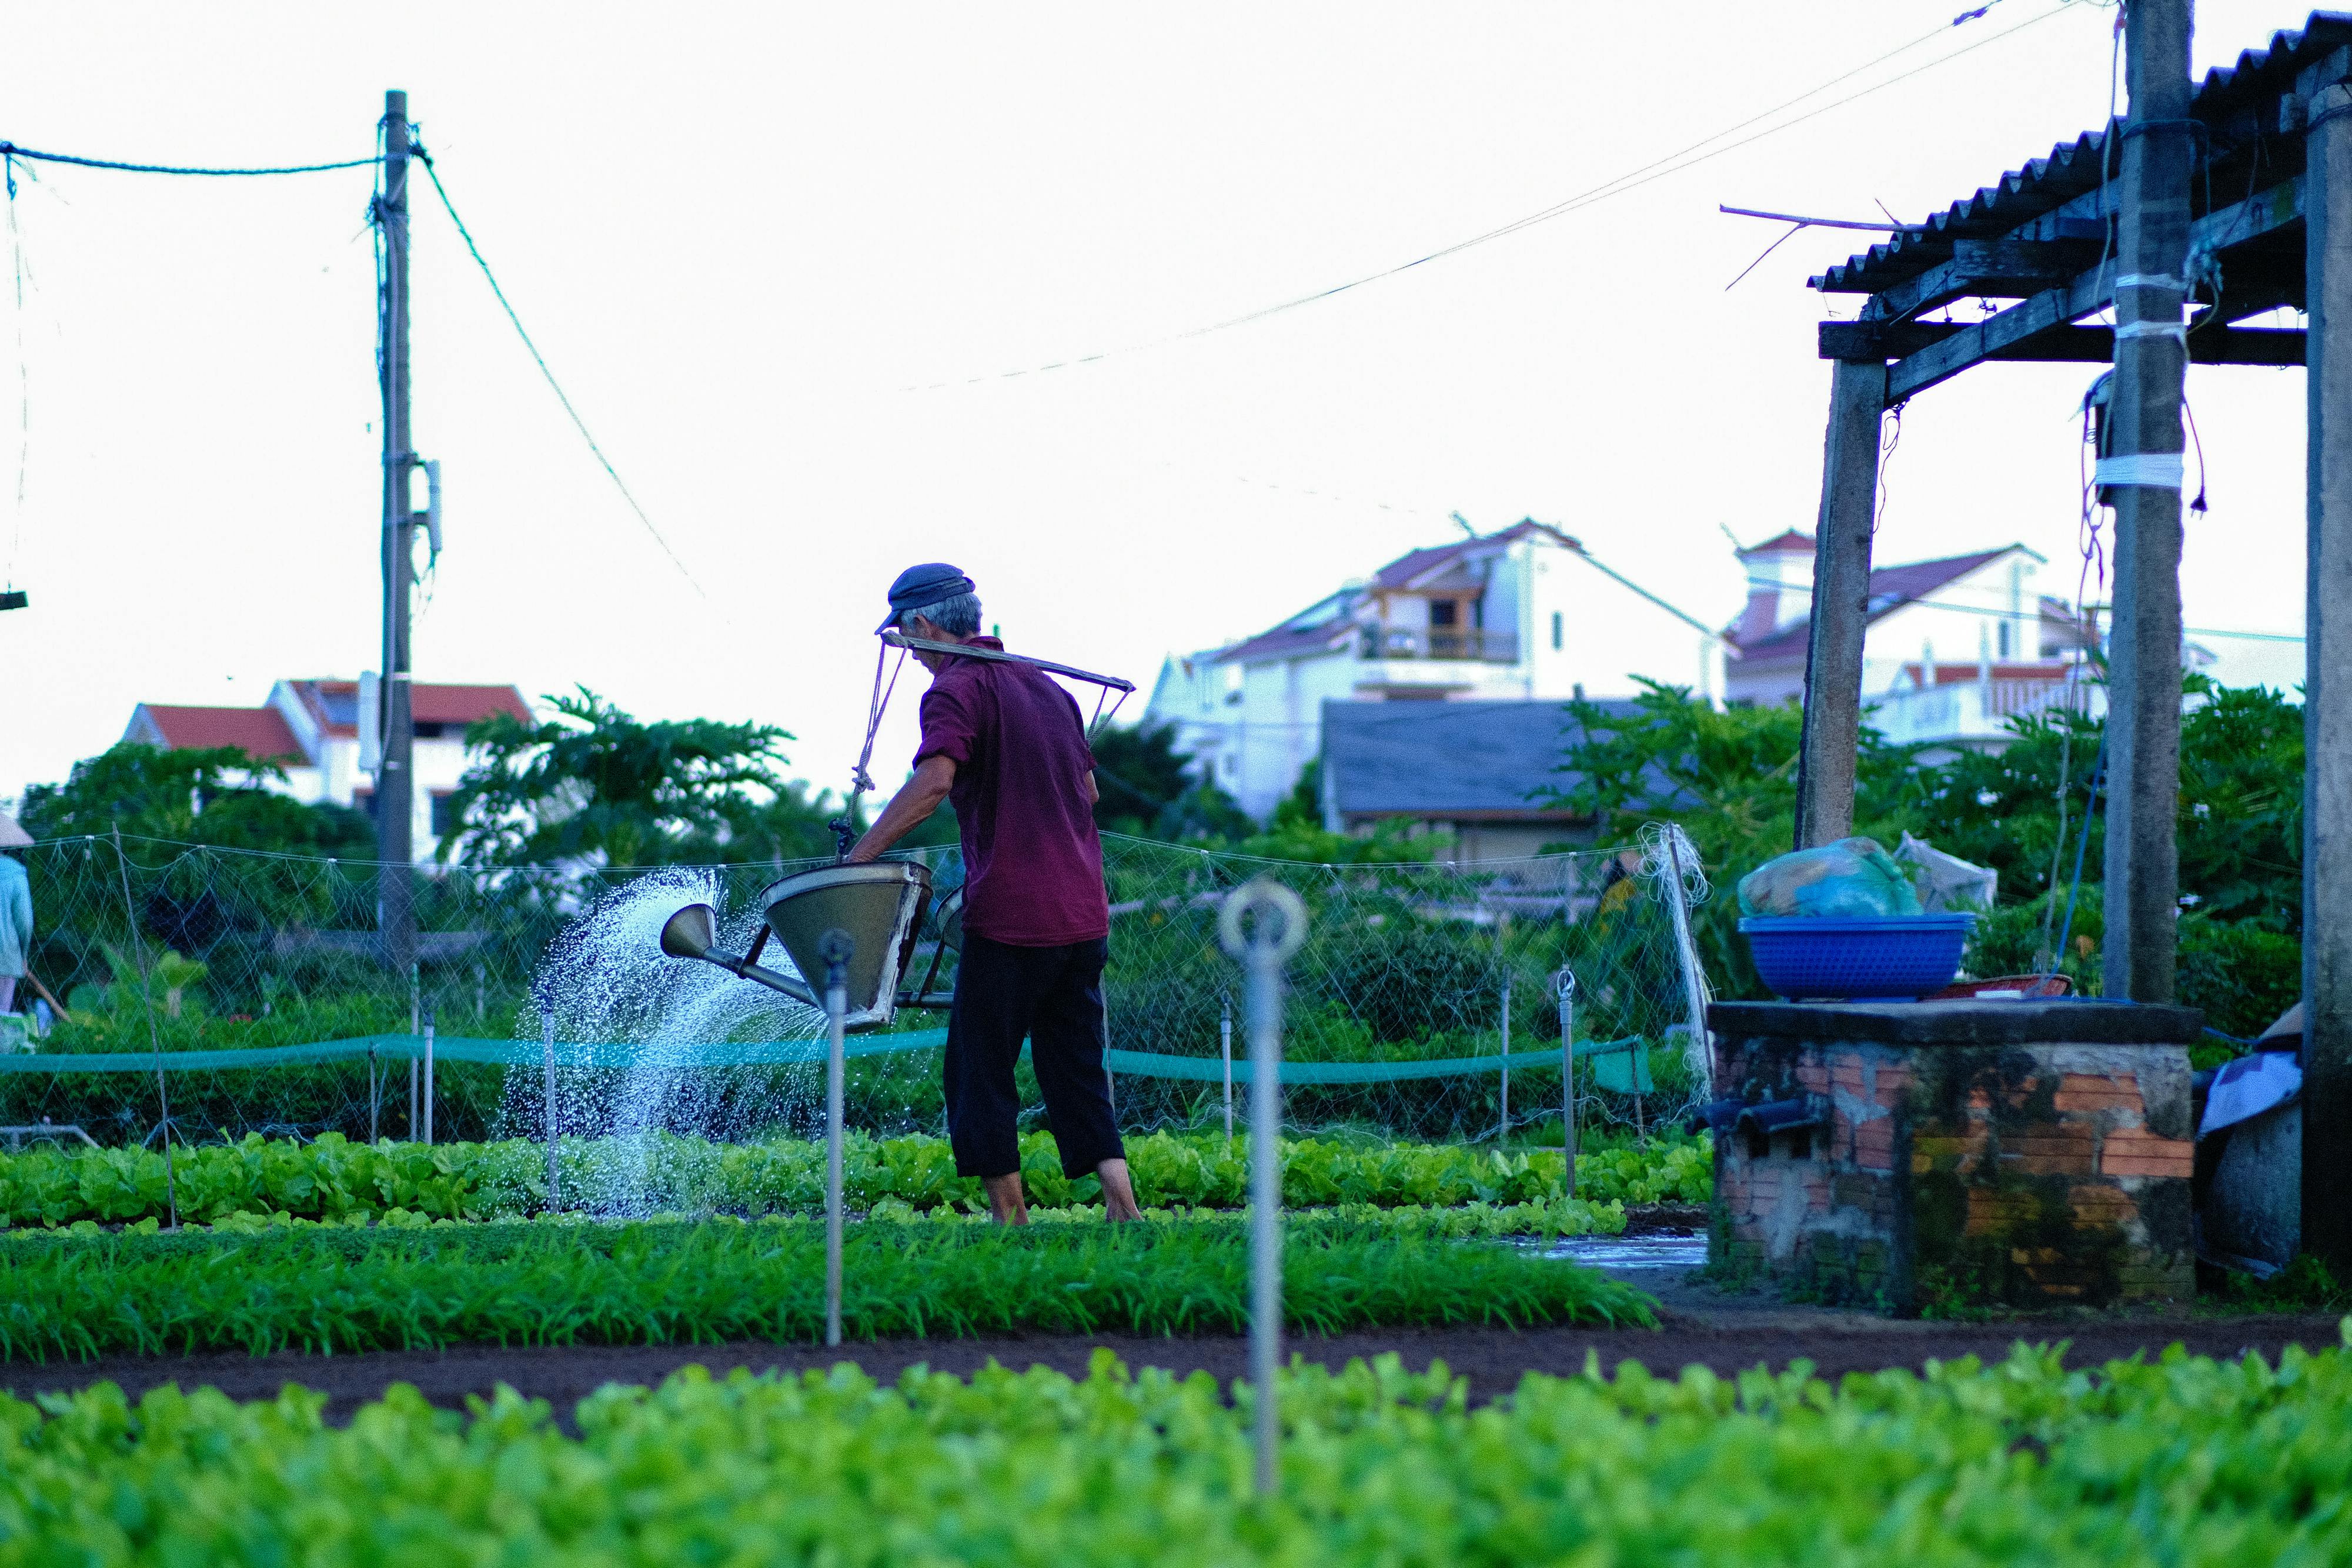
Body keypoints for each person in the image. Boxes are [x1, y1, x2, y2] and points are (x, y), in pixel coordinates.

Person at [846, 563, 1141, 1224]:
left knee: (978, 1072)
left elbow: (932, 786)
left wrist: (858, 859)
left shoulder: (955, 690)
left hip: (1012, 920)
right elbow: (1088, 795)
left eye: (906, 637)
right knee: (1076, 1070)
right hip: (1082, 916)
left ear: (923, 625)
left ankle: (1011, 1225)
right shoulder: (1047, 688)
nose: (911, 653)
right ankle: (1124, 1210)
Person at [0, 811, 31, 1017]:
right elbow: (25, 921)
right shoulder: (15, 872)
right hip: (6, 955)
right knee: (2, 1017)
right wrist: (24, 954)